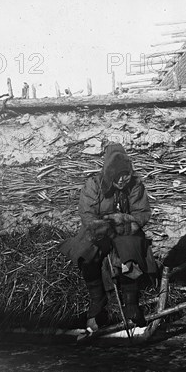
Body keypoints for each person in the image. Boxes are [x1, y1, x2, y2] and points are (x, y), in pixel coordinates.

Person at [59, 142, 155, 331]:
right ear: (108, 172)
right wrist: (106, 226)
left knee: (129, 254)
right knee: (87, 253)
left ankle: (131, 304)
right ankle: (97, 299)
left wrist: (120, 222)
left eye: (125, 174)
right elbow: (87, 215)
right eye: (117, 175)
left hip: (127, 232)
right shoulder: (94, 184)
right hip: (100, 232)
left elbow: (142, 214)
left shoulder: (135, 185)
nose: (122, 180)